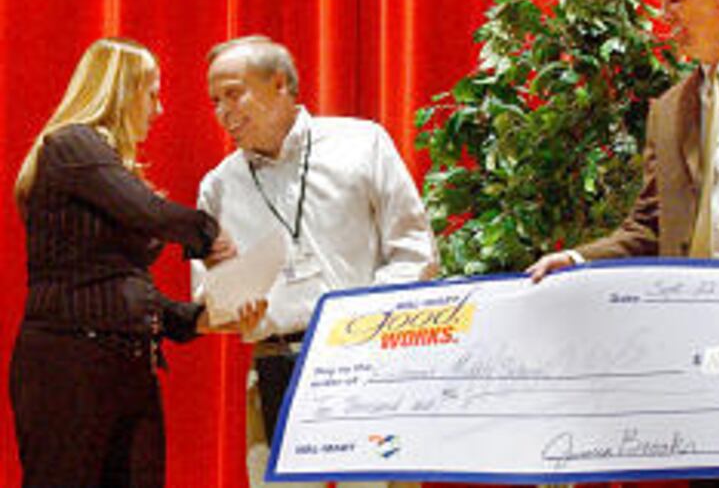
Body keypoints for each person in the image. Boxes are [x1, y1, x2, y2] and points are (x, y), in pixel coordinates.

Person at [527, 0, 719, 487]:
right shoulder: (669, 108)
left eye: (677, 0)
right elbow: (647, 225)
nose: (665, 17)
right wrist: (579, 257)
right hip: (700, 340)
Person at [9, 37, 260, 488]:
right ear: (122, 92)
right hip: (70, 363)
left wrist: (200, 317)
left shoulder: (103, 166)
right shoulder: (71, 145)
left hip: (128, 364)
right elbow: (149, 214)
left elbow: (121, 282)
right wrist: (209, 233)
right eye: (152, 93)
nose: (158, 109)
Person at [192, 35, 438, 487]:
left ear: (280, 84)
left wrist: (358, 319)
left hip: (369, 358)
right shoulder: (218, 187)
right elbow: (207, 298)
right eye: (215, 101)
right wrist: (230, 308)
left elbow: (415, 251)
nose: (223, 111)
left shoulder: (362, 144)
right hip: (276, 361)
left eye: (233, 93)